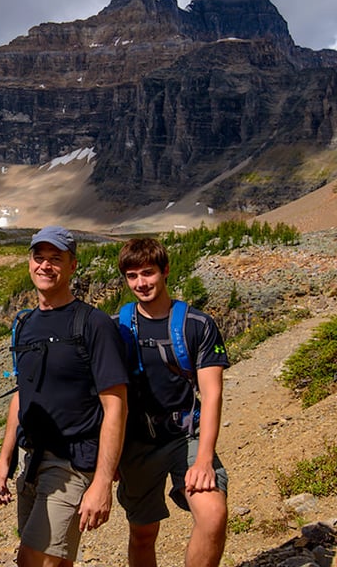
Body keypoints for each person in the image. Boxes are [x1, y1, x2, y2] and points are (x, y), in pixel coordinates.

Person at [0, 226, 128, 567]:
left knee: (33, 561)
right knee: (55, 560)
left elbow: (116, 406)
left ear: (72, 266)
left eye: (56, 259)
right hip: (32, 463)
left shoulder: (93, 324)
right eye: (39, 258)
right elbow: (22, 394)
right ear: (29, 263)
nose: (45, 266)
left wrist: (101, 482)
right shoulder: (25, 324)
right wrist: (5, 458)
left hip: (71, 465)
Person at [114, 238, 229, 567]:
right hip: (136, 442)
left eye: (148, 273)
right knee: (143, 533)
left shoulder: (197, 325)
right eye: (132, 276)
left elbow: (211, 393)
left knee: (213, 516)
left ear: (165, 271)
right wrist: (110, 456)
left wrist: (204, 459)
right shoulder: (114, 328)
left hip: (185, 435)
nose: (141, 283)